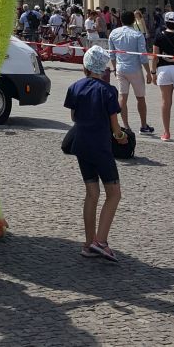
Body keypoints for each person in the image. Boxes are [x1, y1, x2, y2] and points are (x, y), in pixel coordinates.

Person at [64, 45, 127, 262]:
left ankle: (88, 243)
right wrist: (121, 137)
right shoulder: (109, 91)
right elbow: (115, 127)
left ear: (86, 66)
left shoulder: (75, 87)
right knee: (114, 193)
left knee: (92, 193)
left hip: (81, 145)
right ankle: (100, 241)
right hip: (100, 147)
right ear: (103, 68)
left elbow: (74, 117)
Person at [109, 10, 154, 134]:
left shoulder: (113, 33)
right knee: (140, 98)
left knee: (122, 97)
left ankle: (126, 126)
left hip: (120, 68)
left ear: (121, 20)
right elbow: (143, 55)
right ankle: (143, 126)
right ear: (134, 21)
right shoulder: (138, 35)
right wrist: (148, 72)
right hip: (135, 69)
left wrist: (114, 68)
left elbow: (112, 54)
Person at [151, 11, 174, 143]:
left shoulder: (159, 36)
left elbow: (155, 57)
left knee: (165, 103)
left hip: (163, 70)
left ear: (166, 22)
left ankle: (166, 133)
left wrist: (153, 73)